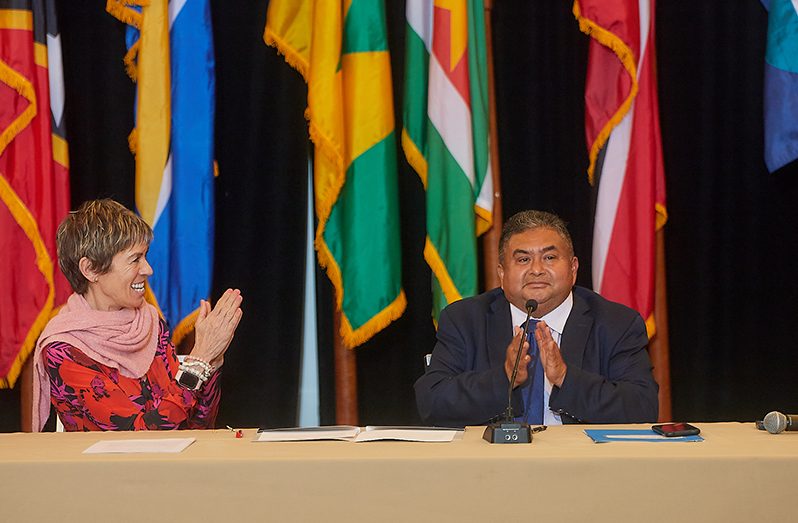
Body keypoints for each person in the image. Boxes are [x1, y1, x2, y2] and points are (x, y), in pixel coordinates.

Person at [415, 210, 658, 427]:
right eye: (523, 259)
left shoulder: (616, 323)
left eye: (550, 257)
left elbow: (642, 407)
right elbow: (432, 402)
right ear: (501, 273)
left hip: (581, 467)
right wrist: (503, 379)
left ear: (573, 269)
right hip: (491, 468)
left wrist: (565, 377)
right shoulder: (465, 320)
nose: (537, 269)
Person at [32, 199, 243, 431]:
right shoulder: (63, 348)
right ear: (91, 269)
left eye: (145, 256)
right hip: (107, 468)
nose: (148, 269)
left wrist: (211, 361)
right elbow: (139, 438)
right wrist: (199, 359)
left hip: (170, 465)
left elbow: (196, 425)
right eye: (135, 259)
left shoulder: (150, 322)